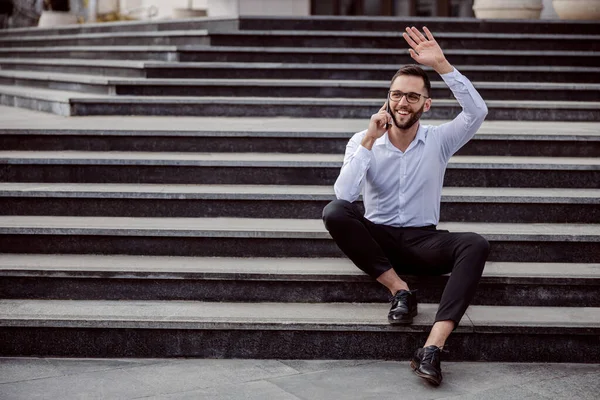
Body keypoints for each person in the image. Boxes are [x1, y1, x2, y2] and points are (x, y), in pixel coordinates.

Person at [322, 26, 489, 386]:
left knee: (475, 243)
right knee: (335, 211)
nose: (403, 103)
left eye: (412, 97)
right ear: (386, 101)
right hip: (377, 238)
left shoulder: (440, 140)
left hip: (421, 242)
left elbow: (477, 111)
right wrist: (369, 138)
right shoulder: (363, 140)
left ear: (426, 104)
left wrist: (442, 64)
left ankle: (432, 347)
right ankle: (400, 290)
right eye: (396, 95)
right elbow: (345, 194)